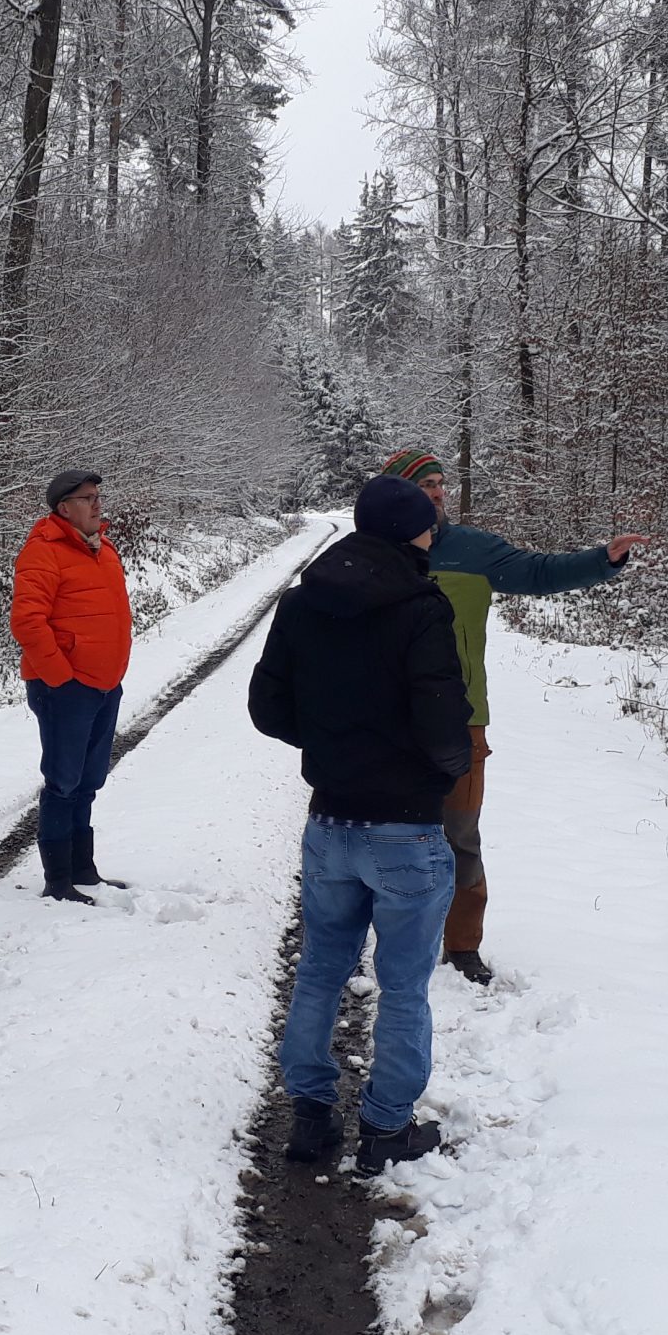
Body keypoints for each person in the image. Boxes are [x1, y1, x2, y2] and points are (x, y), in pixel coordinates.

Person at [249, 475, 473, 1177]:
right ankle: (384, 1128)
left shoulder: (302, 603)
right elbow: (442, 717)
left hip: (331, 821)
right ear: (410, 532)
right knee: (403, 983)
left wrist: (331, 747)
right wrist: (445, 772)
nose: (435, 533)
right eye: (429, 524)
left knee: (320, 968)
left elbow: (268, 708)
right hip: (405, 825)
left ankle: (310, 1120)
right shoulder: (421, 606)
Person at [376, 448, 646, 986]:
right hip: (386, 721)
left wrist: (602, 560)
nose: (435, 492)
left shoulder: (471, 549)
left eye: (439, 483)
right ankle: (395, 933)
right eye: (422, 484)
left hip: (461, 719)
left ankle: (462, 945)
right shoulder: (371, 555)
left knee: (460, 833)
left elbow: (537, 572)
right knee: (390, 833)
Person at [10, 469, 134, 903]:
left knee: (88, 780)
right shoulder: (43, 552)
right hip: (66, 688)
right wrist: (61, 678)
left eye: (98, 495)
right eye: (88, 498)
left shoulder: (104, 550)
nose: (98, 504)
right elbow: (27, 622)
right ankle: (59, 880)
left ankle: (84, 870)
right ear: (65, 508)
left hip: (104, 685)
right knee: (63, 782)